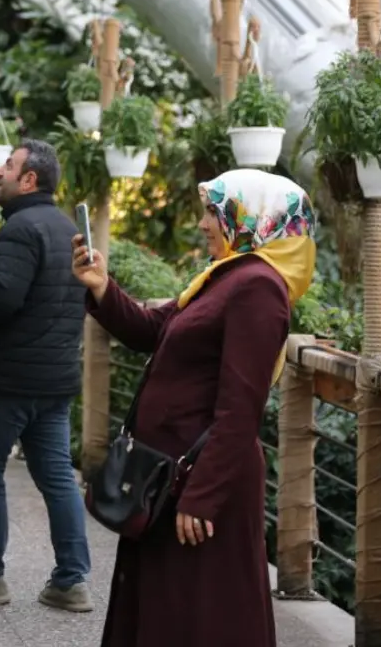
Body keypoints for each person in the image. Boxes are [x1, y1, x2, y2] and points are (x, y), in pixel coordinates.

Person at [72, 169, 316, 647]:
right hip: (167, 479)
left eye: (213, 212)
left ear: (256, 218)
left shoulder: (258, 288)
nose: (204, 223)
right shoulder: (224, 277)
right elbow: (152, 330)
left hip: (198, 483)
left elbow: (241, 406)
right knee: (167, 607)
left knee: (199, 615)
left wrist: (203, 495)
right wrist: (101, 286)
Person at [0, 138, 93, 612]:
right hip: (54, 382)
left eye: (7, 166)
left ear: (29, 179)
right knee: (57, 479)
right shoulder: (68, 229)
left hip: (6, 381)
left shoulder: (19, 230)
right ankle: (71, 582)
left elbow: (0, 300)